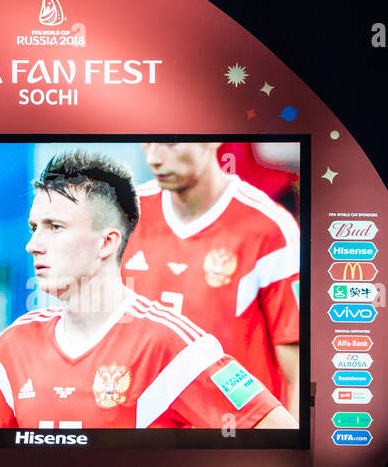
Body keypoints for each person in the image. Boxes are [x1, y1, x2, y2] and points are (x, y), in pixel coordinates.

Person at [0, 151, 296, 430]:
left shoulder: (172, 344)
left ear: (107, 242)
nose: (33, 246)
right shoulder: (14, 344)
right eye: (34, 228)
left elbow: (278, 432)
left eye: (55, 228)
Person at [121, 142, 300, 417]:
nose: (154, 157)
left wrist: (288, 454)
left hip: (234, 440)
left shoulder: (270, 228)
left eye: (170, 143)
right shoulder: (124, 214)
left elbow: (297, 371)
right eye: (147, 142)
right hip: (145, 438)